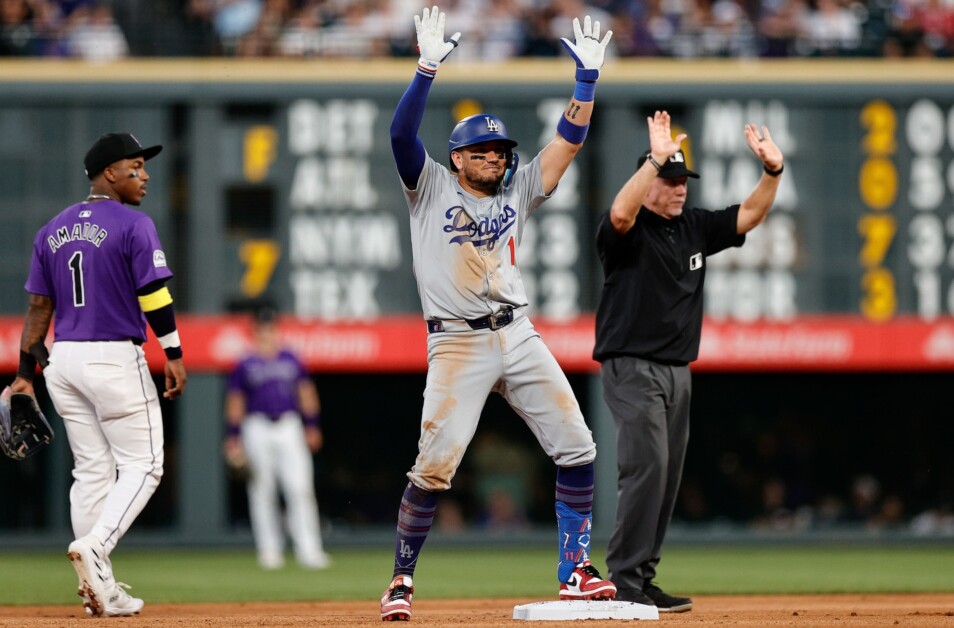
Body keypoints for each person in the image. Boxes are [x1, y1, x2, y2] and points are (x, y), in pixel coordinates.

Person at [380, 6, 614, 621]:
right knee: (433, 468)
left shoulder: (518, 187)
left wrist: (585, 84)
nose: (494, 156)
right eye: (481, 149)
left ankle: (576, 572)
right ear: (456, 157)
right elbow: (401, 137)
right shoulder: (428, 187)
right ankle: (401, 581)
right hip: (456, 343)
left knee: (579, 448)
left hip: (517, 331)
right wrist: (426, 69)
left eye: (499, 148)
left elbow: (567, 141)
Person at [594, 111, 784, 612]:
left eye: (683, 180)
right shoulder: (628, 231)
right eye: (669, 180)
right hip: (632, 365)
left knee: (669, 473)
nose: (679, 189)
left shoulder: (695, 226)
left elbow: (749, 216)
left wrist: (773, 173)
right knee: (648, 467)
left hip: (678, 370)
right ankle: (624, 582)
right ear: (648, 182)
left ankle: (642, 577)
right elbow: (618, 215)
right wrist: (652, 159)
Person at [10, 132, 187, 617]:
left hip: (63, 360)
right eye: (135, 165)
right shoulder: (133, 224)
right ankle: (96, 549)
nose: (144, 174)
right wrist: (172, 351)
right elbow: (154, 294)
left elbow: (38, 307)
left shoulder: (51, 229)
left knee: (91, 470)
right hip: (112, 356)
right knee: (145, 465)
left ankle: (99, 591)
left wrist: (26, 373)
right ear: (109, 172)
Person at [223, 307, 330, 570]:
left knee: (300, 488)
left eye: (271, 328)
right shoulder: (245, 362)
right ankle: (269, 550)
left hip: (288, 425)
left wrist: (312, 425)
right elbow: (236, 400)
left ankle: (310, 550)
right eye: (262, 328)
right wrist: (233, 436)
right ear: (255, 332)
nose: (267, 333)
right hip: (256, 426)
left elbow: (305, 392)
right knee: (262, 490)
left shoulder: (291, 358)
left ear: (277, 330)